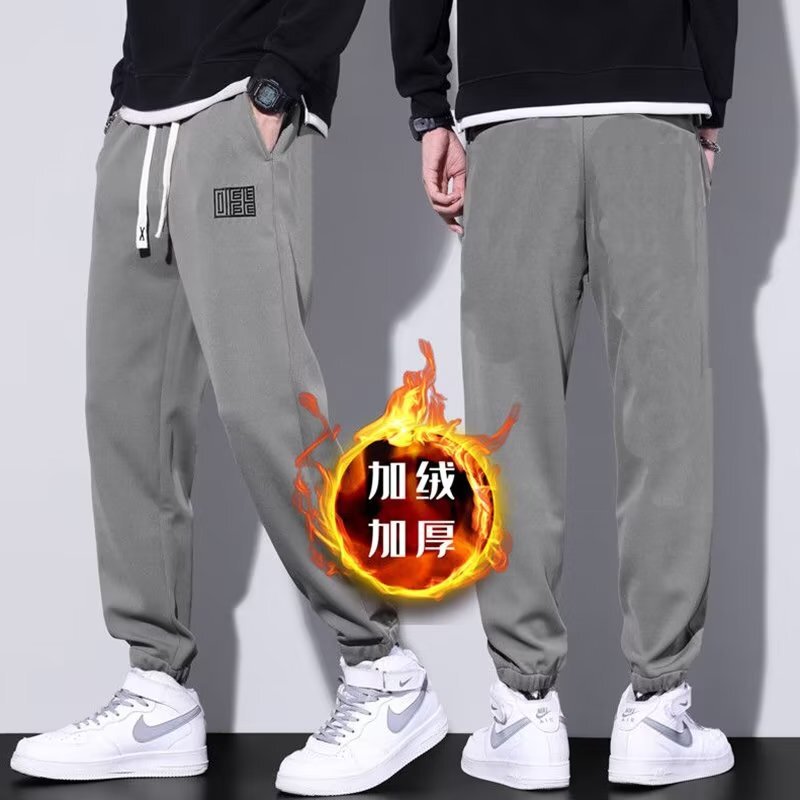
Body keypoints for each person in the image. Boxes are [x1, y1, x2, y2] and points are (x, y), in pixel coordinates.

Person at [10, 1, 447, 792]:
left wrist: (278, 82)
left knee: (266, 403)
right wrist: (126, 93)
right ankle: (157, 689)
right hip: (143, 119)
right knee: (127, 414)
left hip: (241, 106)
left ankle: (385, 674)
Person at [391, 0, 737, 789]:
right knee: (667, 412)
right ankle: (658, 707)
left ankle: (523, 709)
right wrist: (709, 102)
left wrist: (428, 103)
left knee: (510, 414)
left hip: (512, 110)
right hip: (652, 105)